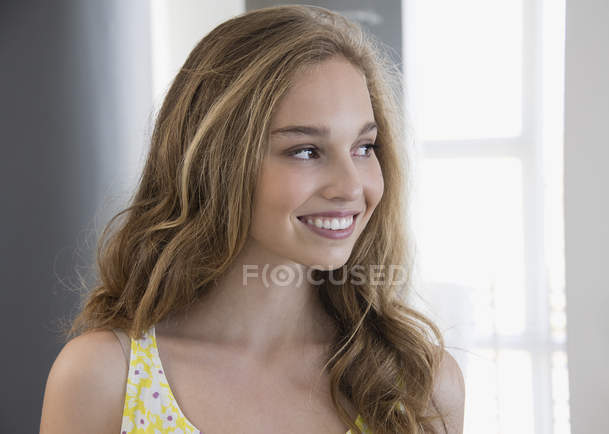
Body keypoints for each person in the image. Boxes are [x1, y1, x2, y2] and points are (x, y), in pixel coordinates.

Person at [39, 5, 464, 434]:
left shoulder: (418, 386)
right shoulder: (103, 379)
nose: (351, 187)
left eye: (363, 147)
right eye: (305, 151)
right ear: (217, 163)